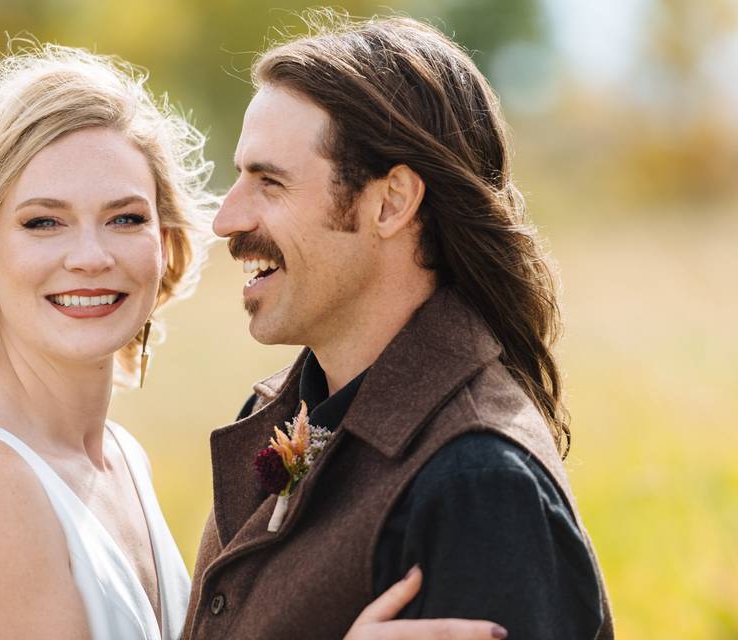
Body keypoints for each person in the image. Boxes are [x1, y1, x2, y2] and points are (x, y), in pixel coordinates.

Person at [0, 42, 502, 640]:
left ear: (165, 241)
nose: (90, 257)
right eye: (43, 222)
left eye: (125, 218)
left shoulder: (120, 458)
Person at [181, 13, 615, 640]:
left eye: (270, 182)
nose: (226, 219)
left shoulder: (478, 486)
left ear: (390, 203)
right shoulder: (283, 408)